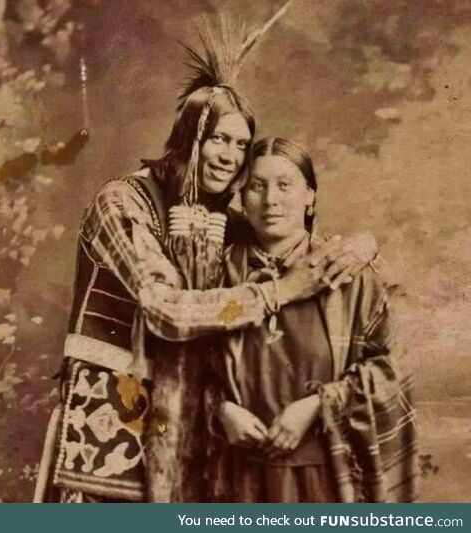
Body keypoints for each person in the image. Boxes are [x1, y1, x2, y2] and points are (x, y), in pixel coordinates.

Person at [34, 9, 379, 503]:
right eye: (219, 138)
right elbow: (165, 310)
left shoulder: (227, 221)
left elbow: (303, 253)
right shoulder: (121, 204)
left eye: (241, 145)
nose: (230, 156)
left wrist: (364, 245)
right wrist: (278, 291)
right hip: (111, 413)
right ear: (189, 136)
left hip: (194, 425)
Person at [210, 137, 418, 503]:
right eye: (257, 186)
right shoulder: (217, 274)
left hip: (327, 477)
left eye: (284, 185)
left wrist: (318, 405)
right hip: (238, 479)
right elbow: (190, 364)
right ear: (241, 198)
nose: (270, 199)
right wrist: (220, 410)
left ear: (310, 196)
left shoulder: (348, 273)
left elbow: (393, 371)